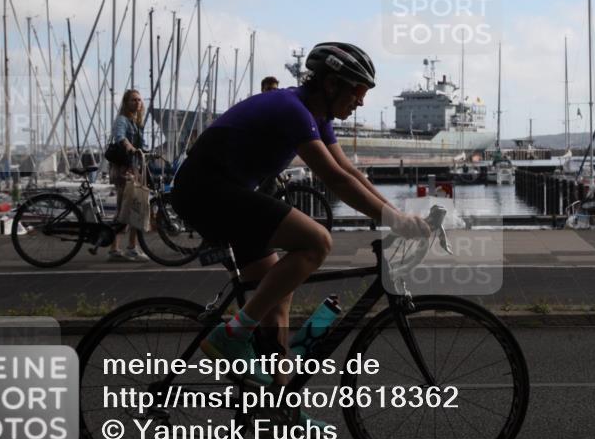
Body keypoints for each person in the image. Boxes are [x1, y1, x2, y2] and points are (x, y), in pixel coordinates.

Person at [170, 43, 428, 403]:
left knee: (277, 299)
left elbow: (349, 171)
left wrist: (397, 216)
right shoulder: (291, 109)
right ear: (331, 83)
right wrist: (395, 221)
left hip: (221, 192)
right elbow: (334, 181)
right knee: (316, 242)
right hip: (206, 192)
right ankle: (231, 336)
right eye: (358, 91)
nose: (361, 102)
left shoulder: (315, 116)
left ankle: (279, 402)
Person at [108, 89, 147, 261]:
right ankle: (114, 249)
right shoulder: (122, 120)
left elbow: (142, 145)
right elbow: (119, 137)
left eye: (139, 100)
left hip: (135, 170)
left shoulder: (137, 124)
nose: (137, 103)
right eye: (133, 100)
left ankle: (132, 247)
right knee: (122, 209)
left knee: (136, 209)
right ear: (126, 103)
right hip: (123, 170)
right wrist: (129, 146)